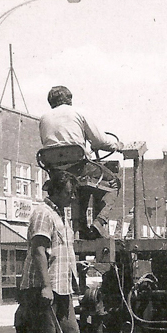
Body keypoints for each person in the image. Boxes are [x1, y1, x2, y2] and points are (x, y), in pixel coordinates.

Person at [15, 172, 98, 333]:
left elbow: (60, 253)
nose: (73, 197)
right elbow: (39, 250)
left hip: (62, 289)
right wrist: (45, 286)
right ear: (57, 191)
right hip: (45, 289)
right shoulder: (43, 214)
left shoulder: (60, 216)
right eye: (70, 192)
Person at [39, 85, 122, 240]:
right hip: (79, 167)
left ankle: (80, 227)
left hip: (57, 172)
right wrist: (116, 146)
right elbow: (99, 141)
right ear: (69, 99)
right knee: (113, 182)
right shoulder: (78, 113)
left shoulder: (43, 118)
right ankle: (99, 222)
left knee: (81, 185)